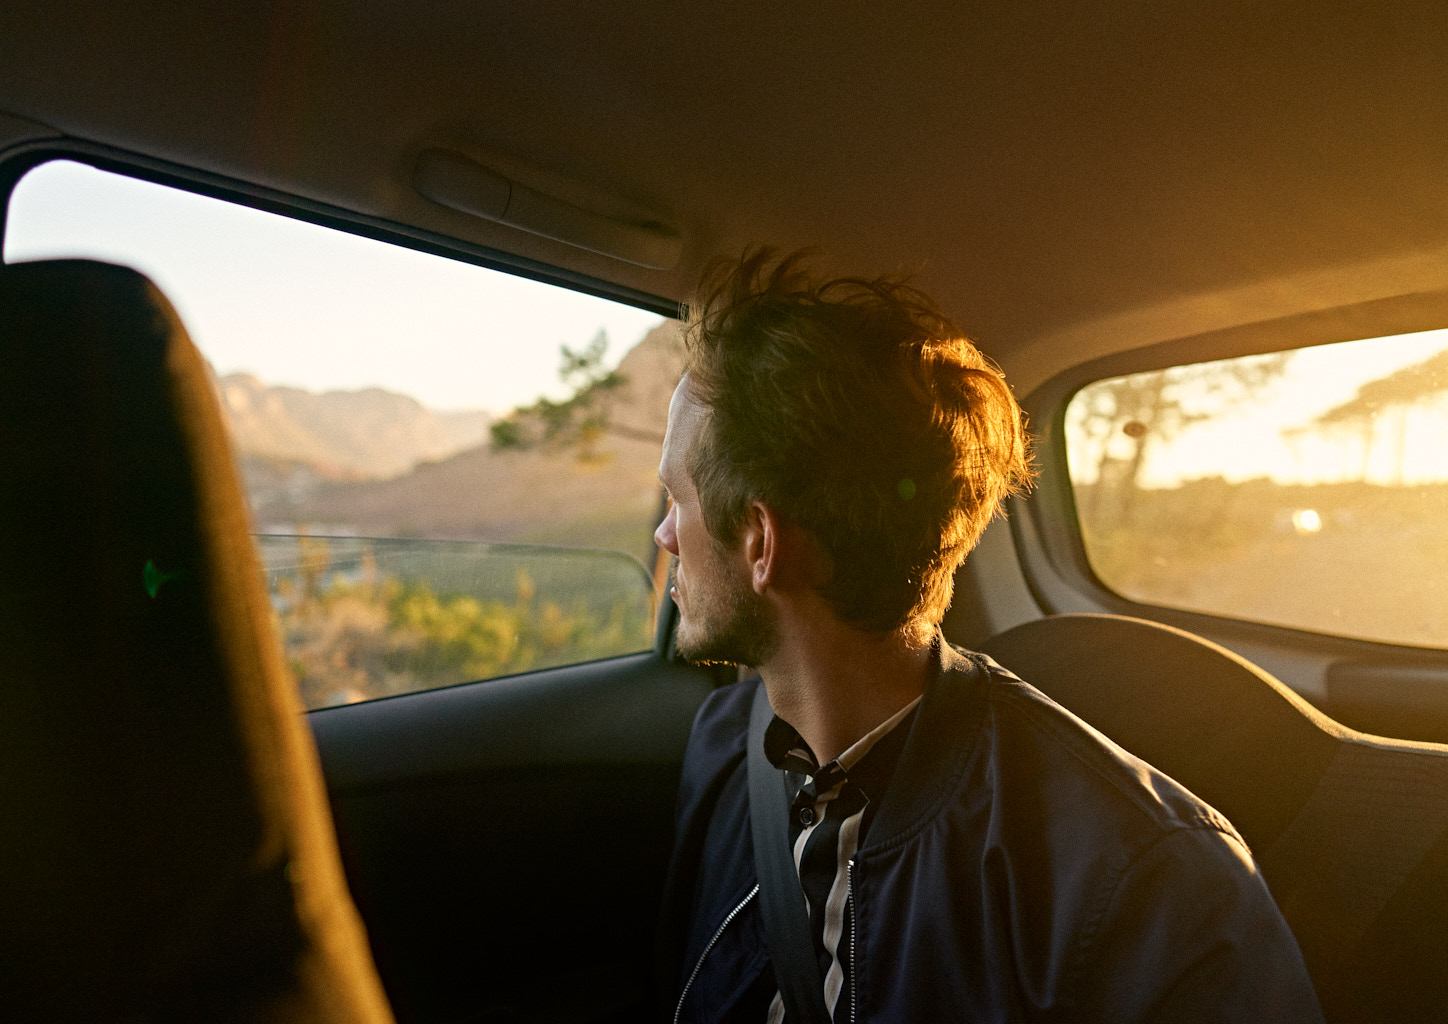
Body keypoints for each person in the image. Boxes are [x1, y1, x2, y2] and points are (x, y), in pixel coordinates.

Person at [653, 250, 1323, 1023]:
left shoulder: (1150, 885)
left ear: (761, 543)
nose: (666, 535)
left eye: (675, 499)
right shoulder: (724, 746)